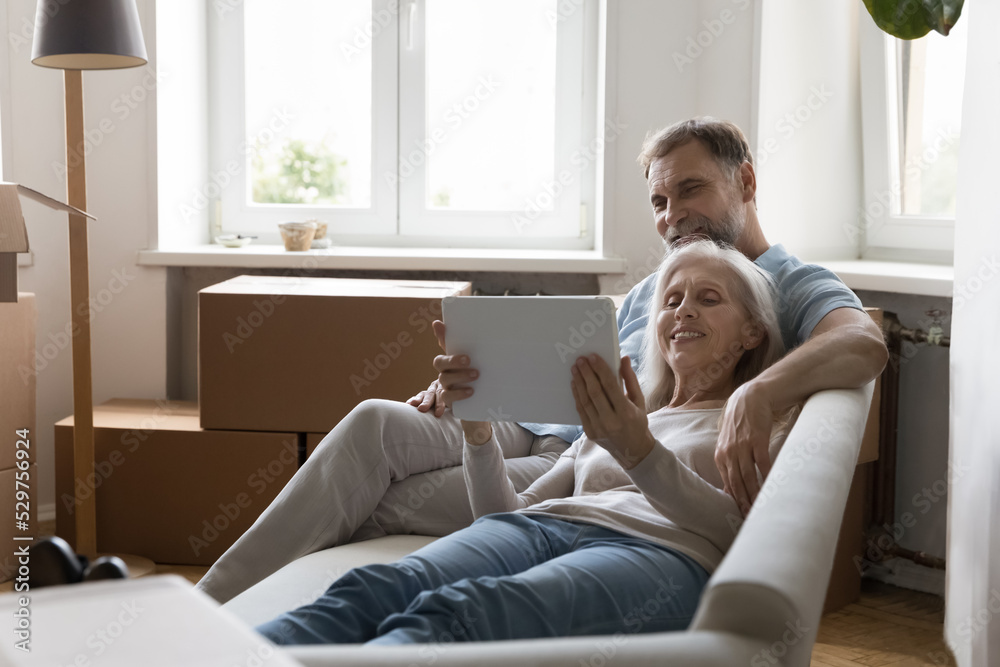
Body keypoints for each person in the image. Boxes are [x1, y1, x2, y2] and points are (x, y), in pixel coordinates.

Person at [195, 117, 887, 605]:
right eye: (658, 199)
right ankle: (208, 602)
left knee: (372, 496)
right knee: (375, 425)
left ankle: (256, 619)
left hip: (588, 460)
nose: (671, 214)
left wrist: (756, 394)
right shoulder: (658, 284)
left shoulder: (787, 278)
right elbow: (580, 350)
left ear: (745, 180)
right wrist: (472, 386)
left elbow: (863, 342)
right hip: (537, 422)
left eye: (690, 189)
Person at [254, 239, 788, 645]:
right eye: (672, 300)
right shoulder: (619, 418)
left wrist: (637, 449)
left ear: (751, 333)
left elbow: (741, 532)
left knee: (465, 612)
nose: (684, 310)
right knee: (374, 589)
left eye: (708, 299)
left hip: (659, 553)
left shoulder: (756, 419)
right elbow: (502, 513)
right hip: (544, 526)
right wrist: (478, 431)